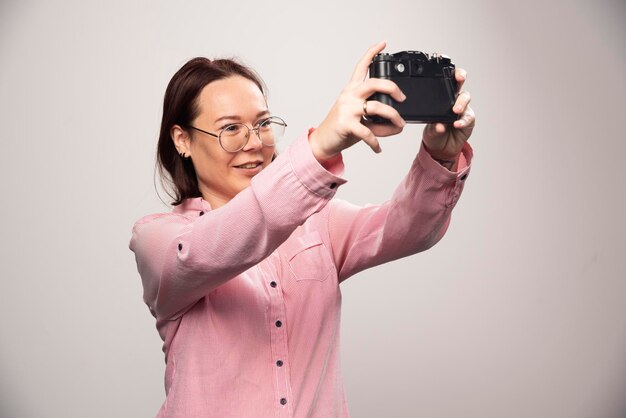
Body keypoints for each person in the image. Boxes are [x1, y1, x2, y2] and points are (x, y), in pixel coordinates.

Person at [129, 41, 475, 418]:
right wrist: (320, 145)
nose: (254, 143)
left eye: (262, 124)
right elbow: (216, 246)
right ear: (182, 140)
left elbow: (408, 227)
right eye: (230, 129)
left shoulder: (317, 224)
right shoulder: (159, 240)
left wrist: (440, 154)